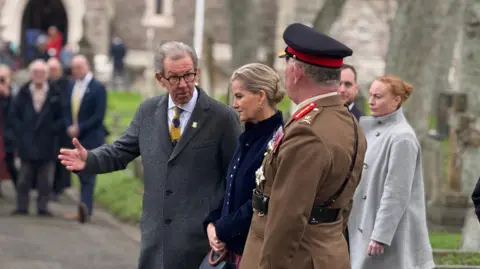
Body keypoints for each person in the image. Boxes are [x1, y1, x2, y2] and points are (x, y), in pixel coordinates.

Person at [58, 41, 242, 269]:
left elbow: (236, 180)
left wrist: (222, 228)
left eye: (189, 75)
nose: (184, 84)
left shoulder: (222, 118)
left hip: (201, 247)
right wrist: (90, 159)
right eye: (174, 78)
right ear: (160, 79)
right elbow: (120, 151)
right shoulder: (147, 112)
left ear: (198, 72)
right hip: (156, 244)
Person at [239, 23, 367, 269]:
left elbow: (287, 218)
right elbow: (343, 203)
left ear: (296, 72)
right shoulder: (348, 122)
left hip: (296, 258)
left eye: (286, 64)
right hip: (326, 250)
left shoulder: (307, 132)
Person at [348, 76, 434, 269]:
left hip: (388, 236)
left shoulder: (402, 137)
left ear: (396, 100)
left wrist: (380, 235)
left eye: (378, 96)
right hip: (365, 224)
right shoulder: (373, 130)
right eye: (370, 95)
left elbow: (397, 191)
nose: (371, 101)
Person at [203, 63, 285, 268]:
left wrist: (222, 229)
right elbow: (232, 188)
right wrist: (212, 223)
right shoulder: (248, 137)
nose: (234, 104)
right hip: (230, 251)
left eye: (239, 96)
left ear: (261, 96)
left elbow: (261, 201)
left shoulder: (278, 140)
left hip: (253, 255)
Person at [11, 59, 64, 217]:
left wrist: (52, 130)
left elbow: (61, 117)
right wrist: (21, 133)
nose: (39, 75)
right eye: (35, 73)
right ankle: (22, 206)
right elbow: (14, 116)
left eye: (42, 73)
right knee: (23, 179)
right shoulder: (23, 92)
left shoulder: (55, 92)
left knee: (46, 180)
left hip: (47, 143)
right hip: (27, 142)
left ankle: (42, 207)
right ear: (31, 74)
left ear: (47, 75)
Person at [62, 55, 108, 222]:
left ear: (87, 67)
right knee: (80, 173)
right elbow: (66, 107)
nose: (76, 71)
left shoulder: (97, 88)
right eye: (74, 68)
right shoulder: (71, 85)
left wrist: (80, 128)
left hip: (91, 136)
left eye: (79, 67)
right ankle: (82, 207)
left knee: (88, 173)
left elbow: (98, 115)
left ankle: (85, 210)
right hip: (75, 137)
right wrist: (69, 126)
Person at [47, 58, 73, 200]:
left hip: (62, 129)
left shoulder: (65, 84)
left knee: (61, 160)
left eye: (54, 69)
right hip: (48, 129)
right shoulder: (47, 84)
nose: (52, 72)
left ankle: (58, 188)